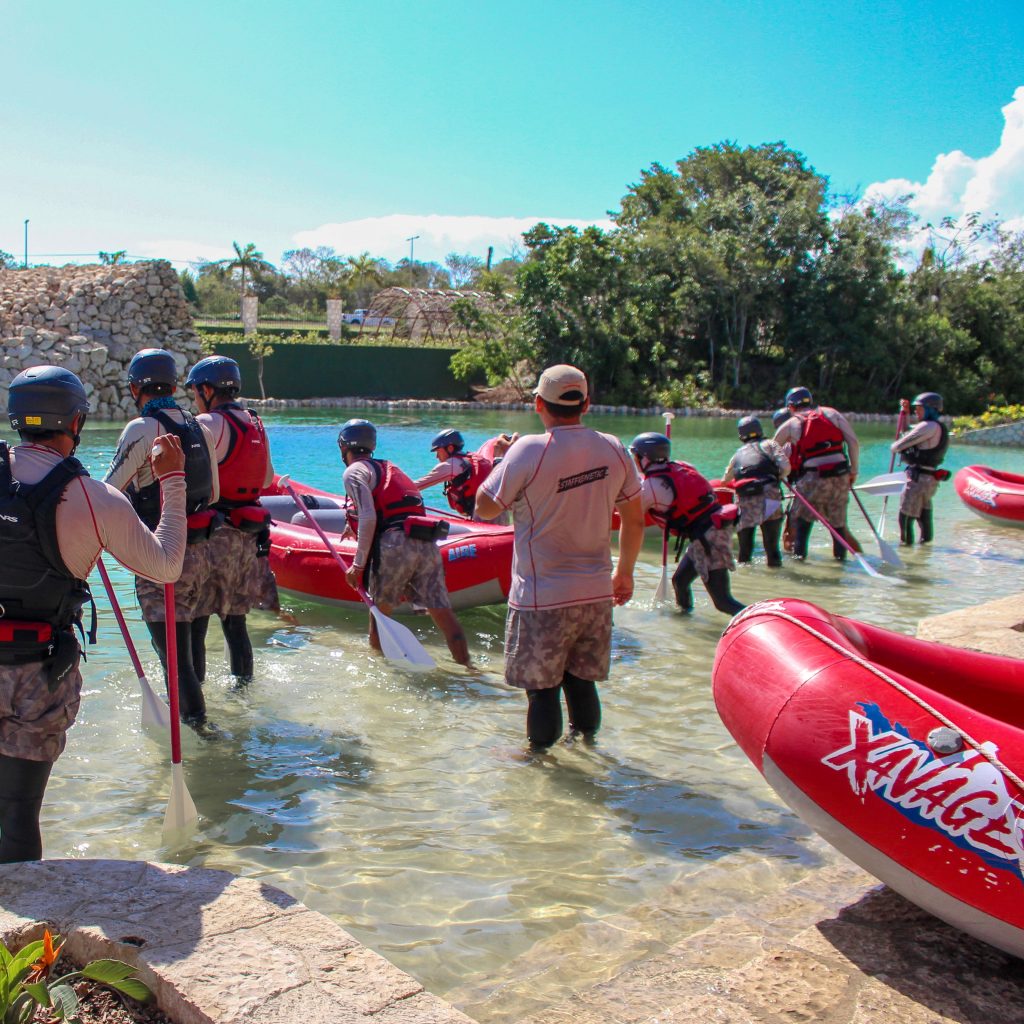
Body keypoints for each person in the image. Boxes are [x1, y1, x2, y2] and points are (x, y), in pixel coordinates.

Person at [0, 365, 187, 862]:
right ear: (77, 422)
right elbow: (166, 566)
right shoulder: (94, 498)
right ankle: (18, 935)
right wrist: (171, 481)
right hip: (37, 672)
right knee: (18, 814)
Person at [475, 365, 645, 749]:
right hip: (596, 593)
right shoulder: (614, 448)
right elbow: (635, 519)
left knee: (542, 691)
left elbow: (485, 508)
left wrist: (499, 463)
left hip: (541, 596)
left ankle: (539, 769)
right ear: (586, 403)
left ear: (539, 403)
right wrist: (625, 574)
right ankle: (588, 751)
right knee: (581, 683)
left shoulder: (529, 449)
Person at [105, 348, 221, 735]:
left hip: (162, 553)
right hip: (205, 552)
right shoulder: (201, 428)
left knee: (174, 660)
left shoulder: (142, 428)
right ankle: (198, 715)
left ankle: (199, 736)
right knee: (192, 651)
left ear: (136, 388)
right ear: (173, 385)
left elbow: (108, 493)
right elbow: (214, 493)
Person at [337, 418, 470, 665]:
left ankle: (378, 680)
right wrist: (349, 524)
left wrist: (357, 566)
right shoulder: (389, 467)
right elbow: (395, 505)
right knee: (444, 616)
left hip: (395, 545)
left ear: (344, 446)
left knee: (379, 621)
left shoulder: (353, 471)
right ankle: (469, 670)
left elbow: (368, 516)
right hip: (425, 542)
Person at [186, 355, 279, 686]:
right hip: (247, 537)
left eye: (196, 393)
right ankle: (242, 694)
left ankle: (194, 701)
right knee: (235, 623)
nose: (195, 400)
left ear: (207, 390)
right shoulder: (255, 422)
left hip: (213, 535)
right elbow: (266, 478)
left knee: (197, 622)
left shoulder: (207, 424)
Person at [629, 432, 745, 616]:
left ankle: (763, 623)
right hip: (712, 529)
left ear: (643, 457)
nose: (633, 460)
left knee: (723, 602)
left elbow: (631, 515)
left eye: (634, 455)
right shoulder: (682, 466)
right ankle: (684, 619)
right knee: (680, 581)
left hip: (707, 538)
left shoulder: (652, 486)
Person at [772, 386, 859, 560]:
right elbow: (853, 442)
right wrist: (853, 471)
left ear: (790, 407)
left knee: (802, 525)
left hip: (813, 478)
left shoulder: (791, 424)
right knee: (838, 526)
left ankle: (800, 565)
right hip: (841, 474)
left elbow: (769, 451)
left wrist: (778, 475)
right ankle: (840, 566)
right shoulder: (832, 413)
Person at [721, 416, 789, 567]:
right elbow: (786, 467)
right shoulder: (770, 444)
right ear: (760, 430)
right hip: (770, 498)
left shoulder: (738, 453)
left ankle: (745, 581)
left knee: (744, 552)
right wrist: (776, 477)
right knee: (772, 549)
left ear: (741, 436)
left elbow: (725, 479)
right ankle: (775, 578)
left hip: (745, 501)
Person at [414, 428, 514, 521]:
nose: (436, 456)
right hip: (499, 512)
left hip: (483, 514)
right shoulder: (469, 457)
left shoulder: (450, 465)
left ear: (450, 448)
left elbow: (416, 486)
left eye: (438, 451)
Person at [891, 392, 949, 545]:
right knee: (923, 516)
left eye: (919, 408)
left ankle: (906, 552)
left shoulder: (927, 426)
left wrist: (896, 446)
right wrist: (904, 413)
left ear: (930, 409)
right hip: (929, 480)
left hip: (917, 480)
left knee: (905, 518)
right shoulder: (937, 427)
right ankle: (925, 551)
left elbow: (898, 446)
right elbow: (908, 433)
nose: (916, 411)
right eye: (915, 408)